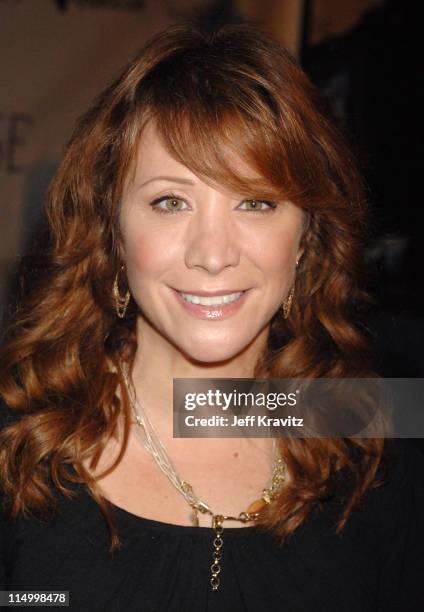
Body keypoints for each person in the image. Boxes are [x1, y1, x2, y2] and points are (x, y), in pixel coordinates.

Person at [0, 23, 423, 611]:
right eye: (170, 202)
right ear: (113, 231)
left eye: (256, 202)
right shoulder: (19, 440)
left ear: (306, 238)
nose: (213, 253)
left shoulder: (379, 443)